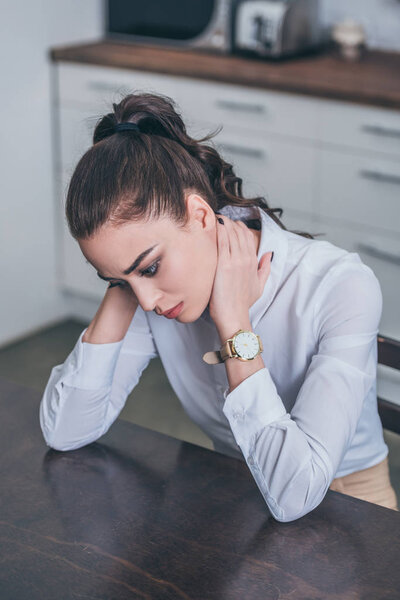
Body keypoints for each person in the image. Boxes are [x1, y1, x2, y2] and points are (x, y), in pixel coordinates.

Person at [40, 91, 398, 522]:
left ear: (202, 216)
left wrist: (234, 323)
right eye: (120, 280)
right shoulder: (148, 293)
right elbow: (66, 432)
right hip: (229, 491)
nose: (148, 303)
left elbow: (296, 493)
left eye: (151, 268)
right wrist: (123, 282)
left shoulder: (339, 285)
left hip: (348, 503)